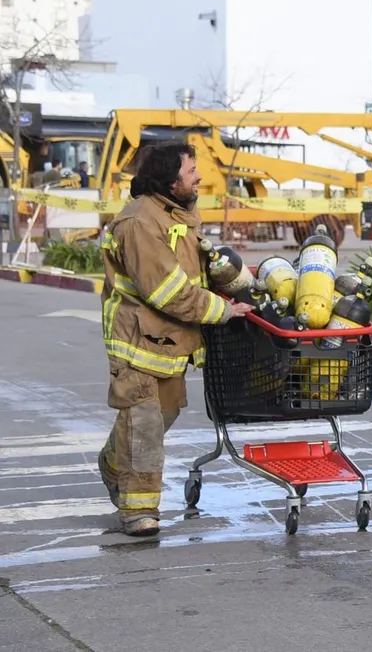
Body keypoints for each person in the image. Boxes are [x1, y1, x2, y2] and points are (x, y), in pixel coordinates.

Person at [96, 142, 254, 536]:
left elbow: (188, 272)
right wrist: (222, 311)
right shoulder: (139, 224)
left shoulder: (177, 213)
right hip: (138, 341)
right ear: (170, 180)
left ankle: (113, 463)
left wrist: (219, 271)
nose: (199, 175)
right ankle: (138, 512)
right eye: (191, 170)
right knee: (145, 425)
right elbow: (165, 290)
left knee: (163, 415)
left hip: (169, 342)